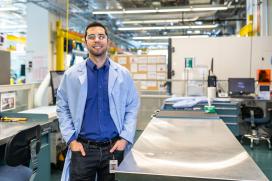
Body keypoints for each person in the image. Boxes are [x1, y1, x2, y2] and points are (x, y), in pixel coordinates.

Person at [56, 22, 140, 181]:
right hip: (82, 149)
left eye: (101, 36)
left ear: (108, 41)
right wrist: (72, 140)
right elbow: (62, 107)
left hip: (113, 149)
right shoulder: (72, 75)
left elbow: (132, 106)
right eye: (91, 37)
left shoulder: (123, 75)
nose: (97, 40)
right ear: (85, 42)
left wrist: (124, 139)